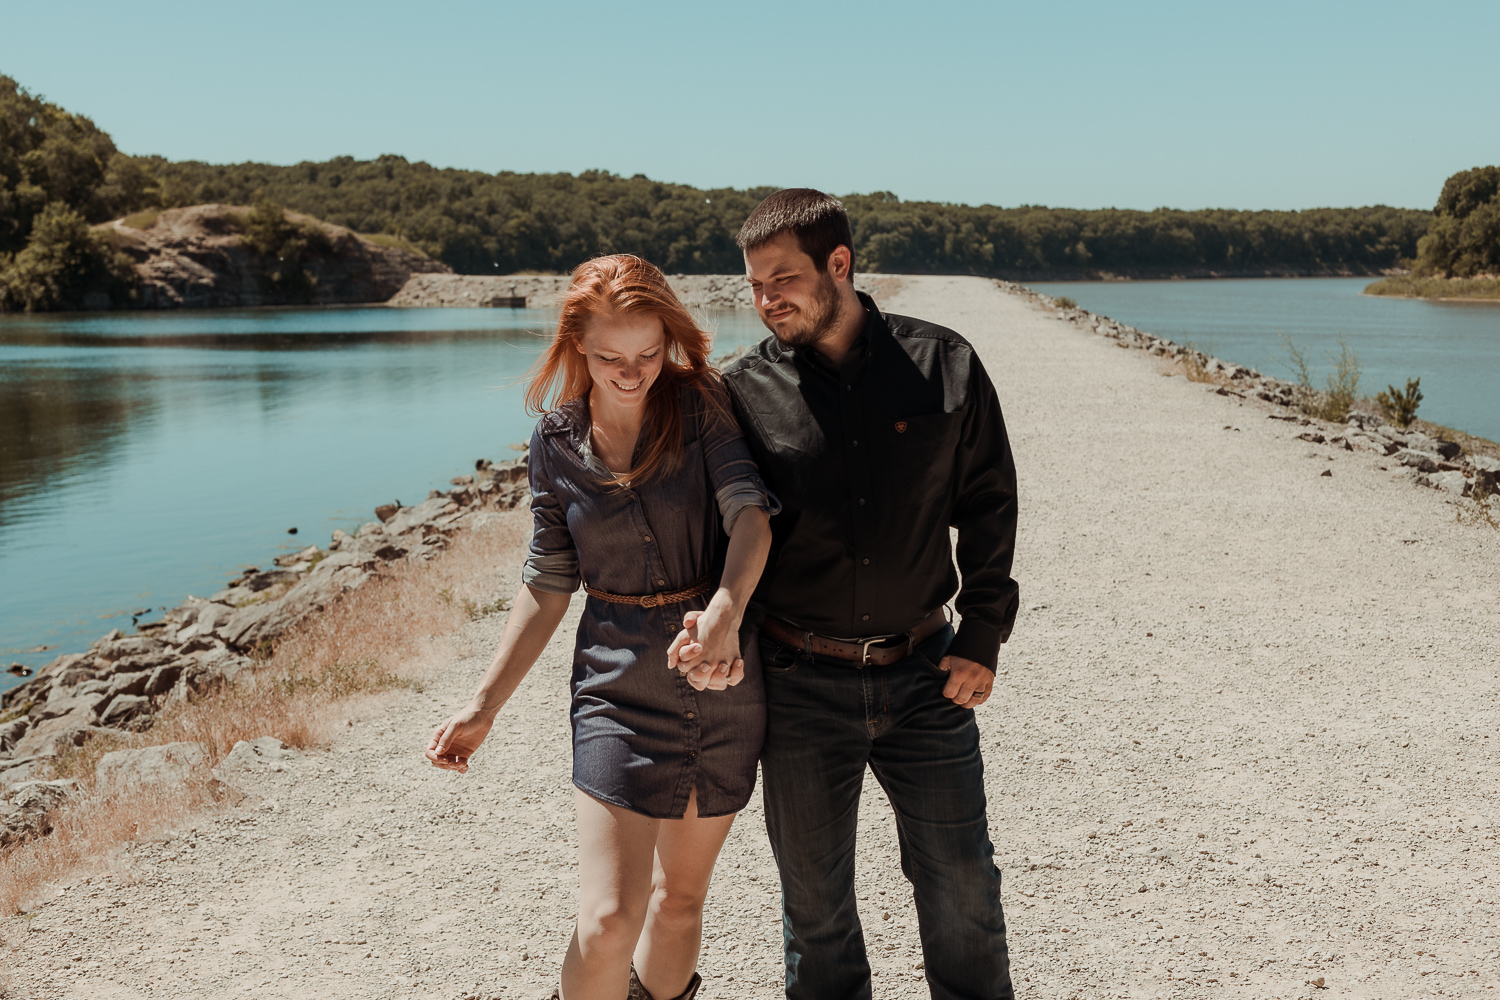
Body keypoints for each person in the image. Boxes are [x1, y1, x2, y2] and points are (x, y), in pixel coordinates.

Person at [425, 254, 778, 1000]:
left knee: (678, 903)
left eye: (649, 354)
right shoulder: (553, 444)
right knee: (610, 917)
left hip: (723, 679)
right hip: (615, 685)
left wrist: (725, 610)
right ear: (577, 345)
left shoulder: (699, 405)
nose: (633, 371)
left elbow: (749, 513)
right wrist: (483, 705)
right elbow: (548, 584)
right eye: (613, 356)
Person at [712, 189, 1020, 1000]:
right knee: (815, 911)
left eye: (783, 278)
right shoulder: (741, 392)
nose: (766, 299)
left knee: (963, 887)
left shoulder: (945, 364)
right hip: (799, 680)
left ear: (839, 265)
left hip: (927, 674)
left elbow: (989, 504)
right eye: (754, 284)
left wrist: (983, 633)